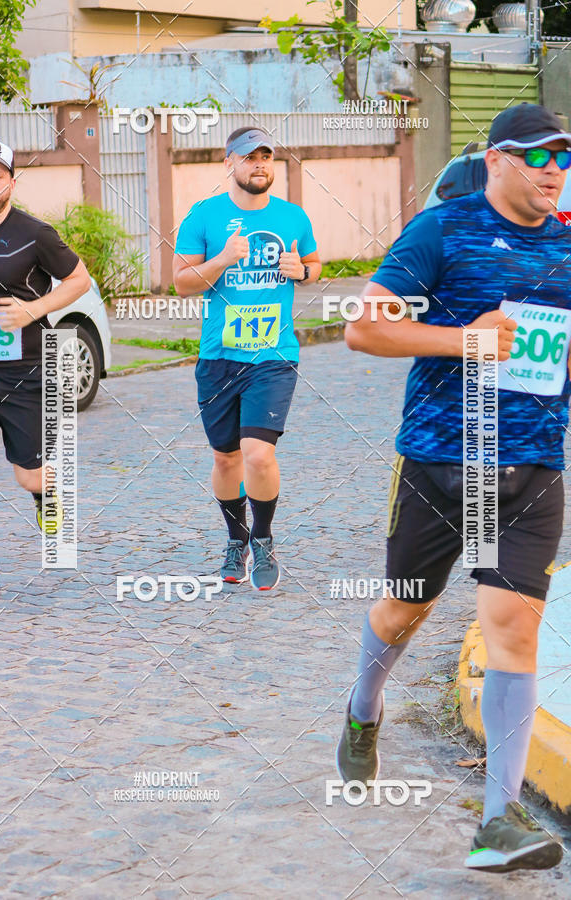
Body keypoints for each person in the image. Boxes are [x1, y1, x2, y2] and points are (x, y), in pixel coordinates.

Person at [336, 104, 569, 872]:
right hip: (439, 462)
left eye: (563, 158)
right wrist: (463, 339)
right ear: (496, 159)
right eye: (537, 156)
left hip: (532, 468)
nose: (553, 171)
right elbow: (365, 326)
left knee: (514, 630)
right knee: (406, 609)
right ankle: (364, 707)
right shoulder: (442, 230)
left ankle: (498, 823)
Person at [173, 127, 321, 590]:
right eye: (249, 156)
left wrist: (303, 271)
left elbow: (315, 264)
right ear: (229, 163)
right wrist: (221, 259)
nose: (259, 164)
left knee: (258, 455)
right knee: (226, 460)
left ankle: (263, 538)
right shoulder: (203, 216)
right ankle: (235, 539)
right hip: (219, 357)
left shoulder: (293, 217)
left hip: (274, 355)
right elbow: (181, 282)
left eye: (265, 156)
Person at [0, 138, 91, 601]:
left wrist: (32, 310)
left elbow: (79, 280)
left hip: (26, 374)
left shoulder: (34, 233)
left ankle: (46, 496)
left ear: (11, 183)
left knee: (30, 475)